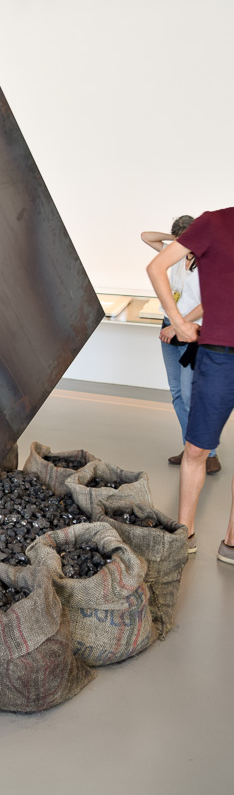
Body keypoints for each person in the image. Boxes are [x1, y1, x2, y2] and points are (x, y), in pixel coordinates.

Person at [146, 206, 234, 562]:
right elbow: (156, 266)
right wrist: (179, 322)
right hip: (219, 355)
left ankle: (232, 542)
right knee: (196, 450)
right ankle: (186, 535)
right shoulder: (214, 222)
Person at [141, 217, 220, 474]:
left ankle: (209, 453)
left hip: (192, 331)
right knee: (176, 393)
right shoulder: (174, 254)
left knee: (190, 395)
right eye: (178, 240)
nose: (181, 244)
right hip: (169, 328)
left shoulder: (208, 261)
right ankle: (190, 448)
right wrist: (176, 239)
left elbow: (209, 302)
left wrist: (177, 325)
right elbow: (146, 236)